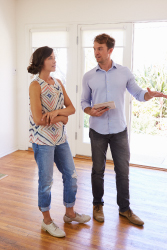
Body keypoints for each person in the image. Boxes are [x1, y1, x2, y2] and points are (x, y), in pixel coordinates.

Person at [81, 34, 167, 226]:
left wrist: (148, 95)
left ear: (110, 50)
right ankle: (97, 205)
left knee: (123, 171)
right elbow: (84, 102)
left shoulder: (124, 72)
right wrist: (90, 111)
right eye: (94, 48)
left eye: (100, 48)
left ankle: (125, 209)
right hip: (97, 130)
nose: (96, 52)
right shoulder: (88, 76)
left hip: (119, 130)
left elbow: (138, 93)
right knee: (97, 170)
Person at [28, 46, 91, 238]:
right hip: (42, 140)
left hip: (60, 139)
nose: (54, 61)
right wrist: (62, 119)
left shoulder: (57, 82)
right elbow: (38, 118)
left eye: (55, 58)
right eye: (50, 58)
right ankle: (47, 220)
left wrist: (56, 113)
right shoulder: (35, 85)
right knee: (46, 181)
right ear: (41, 62)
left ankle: (70, 213)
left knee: (71, 175)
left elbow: (71, 108)